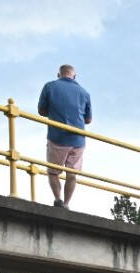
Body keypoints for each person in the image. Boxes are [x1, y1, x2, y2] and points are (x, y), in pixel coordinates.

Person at [36, 64, 93, 209]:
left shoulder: (49, 87)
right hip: (78, 139)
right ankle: (67, 204)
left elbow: (41, 111)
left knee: (53, 172)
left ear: (58, 74)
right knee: (72, 173)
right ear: (74, 76)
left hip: (57, 137)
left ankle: (58, 199)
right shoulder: (85, 93)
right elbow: (88, 120)